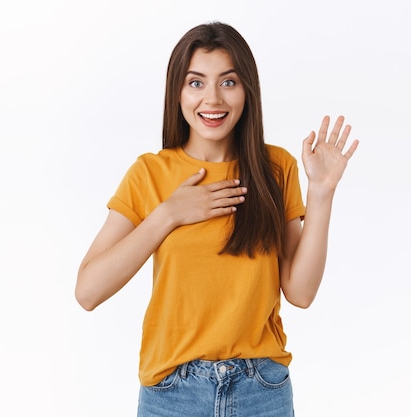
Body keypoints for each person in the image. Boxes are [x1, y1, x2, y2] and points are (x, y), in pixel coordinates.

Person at [75, 21, 358, 417]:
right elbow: (88, 291)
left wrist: (322, 193)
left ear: (247, 91)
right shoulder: (150, 174)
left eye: (228, 82)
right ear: (177, 91)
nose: (212, 99)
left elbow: (301, 293)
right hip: (171, 394)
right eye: (196, 83)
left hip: (262, 390)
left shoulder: (275, 168)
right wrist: (169, 215)